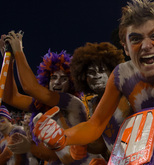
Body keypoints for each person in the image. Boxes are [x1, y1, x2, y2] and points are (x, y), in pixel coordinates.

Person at [33, 0, 154, 164]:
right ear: (126, 48)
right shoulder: (121, 75)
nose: (146, 45)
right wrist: (62, 137)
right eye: (136, 39)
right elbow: (95, 125)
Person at [0, 32, 98, 165]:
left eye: (64, 79)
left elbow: (30, 87)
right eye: (53, 77)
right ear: (47, 80)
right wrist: (9, 62)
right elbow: (10, 97)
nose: (57, 82)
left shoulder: (73, 103)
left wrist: (18, 51)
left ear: (71, 83)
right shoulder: (42, 105)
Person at [70, 42, 132, 161]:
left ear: (112, 71)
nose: (96, 76)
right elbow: (102, 145)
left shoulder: (128, 94)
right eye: (91, 73)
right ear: (84, 77)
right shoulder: (93, 104)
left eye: (102, 70)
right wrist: (82, 145)